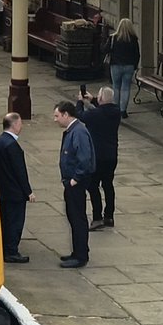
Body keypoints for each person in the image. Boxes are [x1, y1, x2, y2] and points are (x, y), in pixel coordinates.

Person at [54, 100, 96, 268]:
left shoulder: (78, 132)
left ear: (66, 114)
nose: (55, 119)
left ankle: (80, 256)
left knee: (78, 218)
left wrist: (75, 179)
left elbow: (84, 159)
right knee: (73, 216)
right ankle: (77, 251)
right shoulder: (74, 130)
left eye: (57, 116)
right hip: (70, 182)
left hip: (75, 183)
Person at [0, 112, 35, 263]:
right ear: (15, 124)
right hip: (15, 192)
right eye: (20, 123)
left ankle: (4, 248)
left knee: (5, 220)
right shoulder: (12, 145)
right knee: (15, 223)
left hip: (3, 191)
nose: (21, 126)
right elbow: (19, 171)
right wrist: (28, 191)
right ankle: (11, 251)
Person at [77, 86, 121, 229]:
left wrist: (80, 102)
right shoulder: (116, 112)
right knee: (108, 184)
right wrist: (94, 99)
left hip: (97, 156)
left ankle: (97, 217)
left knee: (93, 185)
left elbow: (80, 115)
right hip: (112, 155)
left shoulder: (94, 115)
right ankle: (109, 216)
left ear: (101, 99)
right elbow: (105, 108)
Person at [107, 18, 141, 118]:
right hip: (129, 66)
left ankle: (115, 109)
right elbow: (137, 54)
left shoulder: (114, 38)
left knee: (116, 87)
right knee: (126, 88)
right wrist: (135, 66)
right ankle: (123, 111)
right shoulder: (133, 39)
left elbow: (104, 49)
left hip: (116, 65)